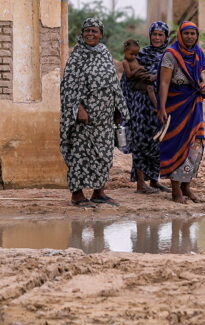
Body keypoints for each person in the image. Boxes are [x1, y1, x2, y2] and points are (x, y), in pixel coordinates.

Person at [60, 18, 129, 208]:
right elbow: (69, 86)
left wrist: (118, 108)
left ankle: (99, 192)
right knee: (80, 155)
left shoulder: (104, 52)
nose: (90, 34)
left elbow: (113, 83)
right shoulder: (77, 56)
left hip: (105, 117)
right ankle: (77, 194)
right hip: (84, 119)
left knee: (104, 155)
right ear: (82, 33)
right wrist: (79, 109)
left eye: (94, 31)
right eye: (87, 31)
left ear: (101, 34)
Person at [157, 22, 205, 204]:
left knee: (195, 145)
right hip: (176, 104)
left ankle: (187, 186)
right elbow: (163, 83)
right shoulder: (171, 55)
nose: (190, 37)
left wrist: (203, 85)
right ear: (180, 35)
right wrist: (161, 108)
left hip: (194, 104)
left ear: (197, 35)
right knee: (177, 145)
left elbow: (200, 75)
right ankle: (175, 190)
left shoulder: (198, 53)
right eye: (186, 33)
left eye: (193, 34)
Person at [121, 22, 172, 195]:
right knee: (141, 142)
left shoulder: (170, 56)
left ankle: (154, 181)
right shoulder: (140, 54)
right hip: (140, 105)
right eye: (154, 34)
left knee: (158, 142)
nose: (157, 38)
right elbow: (127, 80)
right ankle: (141, 184)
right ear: (149, 36)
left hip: (161, 106)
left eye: (160, 35)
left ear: (166, 37)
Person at [121, 40, 157, 106]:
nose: (134, 56)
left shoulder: (134, 59)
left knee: (150, 88)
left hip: (141, 78)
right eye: (132, 54)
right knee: (149, 84)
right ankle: (151, 77)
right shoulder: (125, 62)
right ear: (125, 51)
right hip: (135, 82)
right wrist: (138, 68)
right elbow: (129, 75)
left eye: (136, 54)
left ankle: (156, 106)